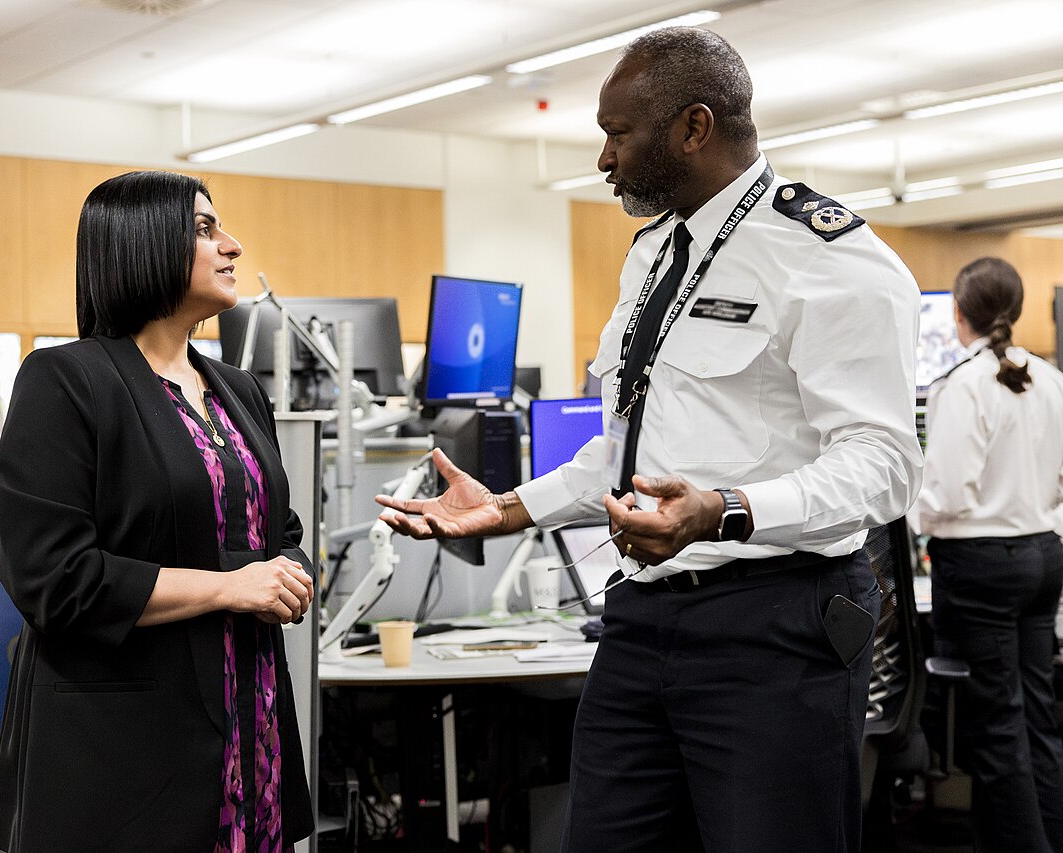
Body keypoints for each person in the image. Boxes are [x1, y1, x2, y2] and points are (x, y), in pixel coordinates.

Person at [377, 26, 921, 853]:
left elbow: (884, 468)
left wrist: (725, 510)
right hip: (640, 624)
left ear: (693, 127)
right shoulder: (653, 257)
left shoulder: (828, 258)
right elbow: (622, 452)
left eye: (618, 134)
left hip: (775, 629)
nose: (603, 159)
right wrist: (509, 508)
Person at [0, 170, 316, 852]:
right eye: (204, 229)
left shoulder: (236, 389)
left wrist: (288, 572)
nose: (230, 245)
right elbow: (55, 578)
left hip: (250, 725)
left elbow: (278, 531)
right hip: (128, 753)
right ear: (142, 244)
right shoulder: (65, 380)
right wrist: (232, 586)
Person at [915, 257, 1063, 853]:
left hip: (980, 568)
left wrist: (907, 513)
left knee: (997, 730)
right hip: (1043, 559)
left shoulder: (961, 385)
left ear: (958, 314)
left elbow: (947, 495)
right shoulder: (1051, 378)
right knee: (1037, 718)